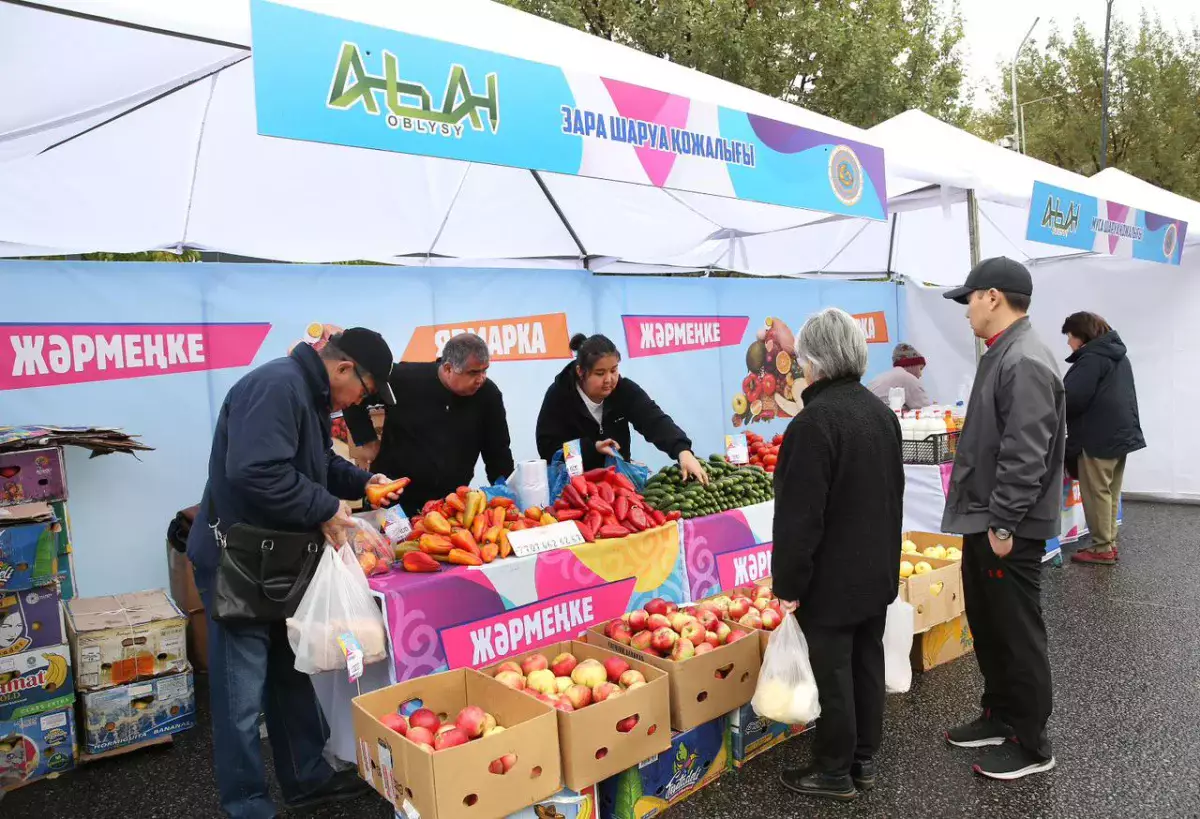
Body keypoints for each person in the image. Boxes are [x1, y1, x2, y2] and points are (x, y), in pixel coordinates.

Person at [188, 328, 404, 819]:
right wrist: (326, 507)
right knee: (240, 698)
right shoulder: (276, 386)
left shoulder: (304, 392)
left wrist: (363, 483)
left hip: (277, 559)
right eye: (365, 393)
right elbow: (257, 471)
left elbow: (317, 461)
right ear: (344, 369)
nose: (360, 404)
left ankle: (307, 779)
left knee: (290, 676)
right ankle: (248, 806)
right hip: (237, 561)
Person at [771, 308, 904, 802]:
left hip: (831, 578)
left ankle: (832, 772)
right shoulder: (880, 413)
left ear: (814, 363)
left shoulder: (813, 423)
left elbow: (799, 519)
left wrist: (788, 585)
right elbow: (894, 494)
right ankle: (862, 759)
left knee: (834, 674)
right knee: (867, 662)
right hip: (875, 570)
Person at [940, 257, 1065, 781]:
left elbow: (1026, 453)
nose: (965, 309)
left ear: (992, 297)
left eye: (969, 298)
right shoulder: (1004, 353)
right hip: (986, 519)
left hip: (1006, 526)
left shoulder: (1025, 360)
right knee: (990, 626)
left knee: (1016, 630)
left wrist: (1005, 524)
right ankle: (999, 715)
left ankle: (1032, 741)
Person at [343, 333, 515, 512]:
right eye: (473, 372)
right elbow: (352, 395)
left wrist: (506, 497)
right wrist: (367, 440)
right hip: (393, 498)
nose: (481, 379)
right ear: (448, 368)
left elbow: (498, 451)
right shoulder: (403, 378)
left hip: (449, 505)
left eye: (484, 370)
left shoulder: (489, 395)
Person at [535, 333, 709, 483]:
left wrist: (683, 451)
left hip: (618, 485)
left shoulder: (624, 390)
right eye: (600, 373)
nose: (609, 379)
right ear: (581, 372)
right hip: (574, 489)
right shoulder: (560, 395)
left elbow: (654, 420)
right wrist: (591, 448)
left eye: (614, 370)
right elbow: (548, 447)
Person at [1061, 312, 1145, 566]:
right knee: (1110, 491)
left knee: (1097, 492)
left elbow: (1072, 398)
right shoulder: (1118, 356)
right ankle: (1108, 542)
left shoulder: (1091, 359)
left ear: (1081, 335)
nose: (1068, 343)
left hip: (1096, 436)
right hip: (1121, 434)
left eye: (1069, 336)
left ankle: (1101, 548)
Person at [867, 342, 933, 410]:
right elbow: (926, 410)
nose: (920, 374)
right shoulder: (908, 378)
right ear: (913, 365)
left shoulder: (883, 377)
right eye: (920, 369)